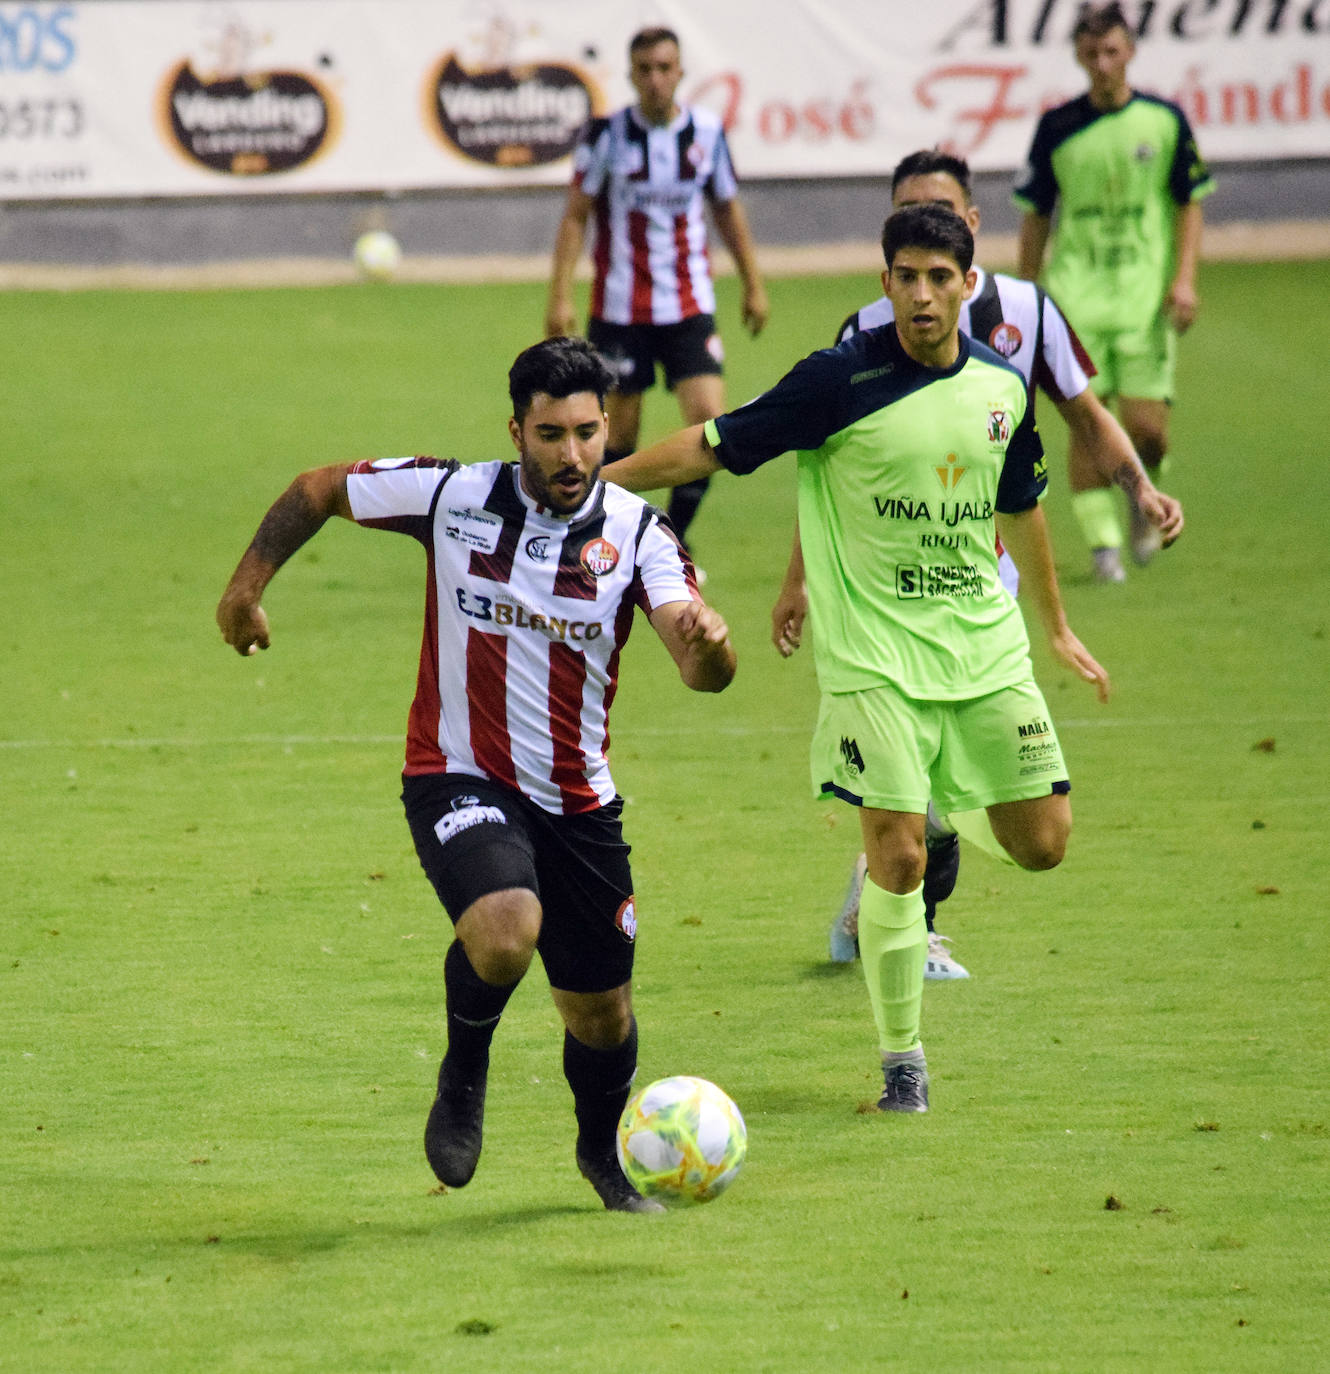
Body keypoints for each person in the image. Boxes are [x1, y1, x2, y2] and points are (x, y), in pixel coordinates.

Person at [605, 204, 1109, 1114]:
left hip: (984, 650)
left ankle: (947, 803)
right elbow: (713, 445)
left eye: (939, 277)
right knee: (900, 860)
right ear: (884, 284)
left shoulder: (1001, 385)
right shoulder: (840, 379)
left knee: (1045, 846)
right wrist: (594, 487)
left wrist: (1057, 625)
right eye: (905, 276)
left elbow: (1023, 499)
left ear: (967, 283)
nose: (922, 294)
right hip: (873, 661)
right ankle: (902, 1063)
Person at [215, 336, 737, 1211]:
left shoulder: (641, 534)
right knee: (505, 928)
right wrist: (245, 588)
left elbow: (700, 666)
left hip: (578, 802)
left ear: (607, 426)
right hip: (458, 773)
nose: (571, 455)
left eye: (585, 433)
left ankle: (602, 1160)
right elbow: (317, 489)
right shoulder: (452, 494)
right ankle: (464, 1068)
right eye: (549, 435)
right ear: (517, 432)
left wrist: (706, 646)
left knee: (602, 1016)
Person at [769, 148, 1184, 981]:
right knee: (912, 793)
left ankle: (891, 893)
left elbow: (1083, 415)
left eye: (943, 210)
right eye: (910, 210)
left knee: (1003, 819)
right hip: (891, 586)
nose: (928, 235)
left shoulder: (1029, 313)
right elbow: (834, 459)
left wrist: (1138, 488)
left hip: (982, 583)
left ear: (973, 226)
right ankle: (910, 929)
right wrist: (801, 578)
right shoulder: (867, 329)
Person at [545, 25, 769, 571]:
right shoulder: (605, 136)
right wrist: (560, 294)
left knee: (710, 421)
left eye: (664, 68)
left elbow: (726, 211)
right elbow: (576, 215)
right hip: (620, 310)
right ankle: (604, 541)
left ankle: (672, 538)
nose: (654, 79)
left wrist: (753, 283)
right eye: (643, 69)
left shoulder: (707, 133)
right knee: (617, 436)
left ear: (680, 72)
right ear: (630, 75)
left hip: (689, 306)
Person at [1014, 0, 1215, 583]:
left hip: (1144, 298)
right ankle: (1104, 552)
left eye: (1112, 52)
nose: (1102, 64)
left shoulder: (1165, 120)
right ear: (1079, 57)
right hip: (1076, 298)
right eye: (1091, 53)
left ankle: (1138, 496)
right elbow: (1035, 216)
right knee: (1086, 419)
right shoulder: (1057, 128)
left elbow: (1189, 203)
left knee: (1149, 432)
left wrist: (1184, 280)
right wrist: (1028, 296)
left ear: (1130, 53)